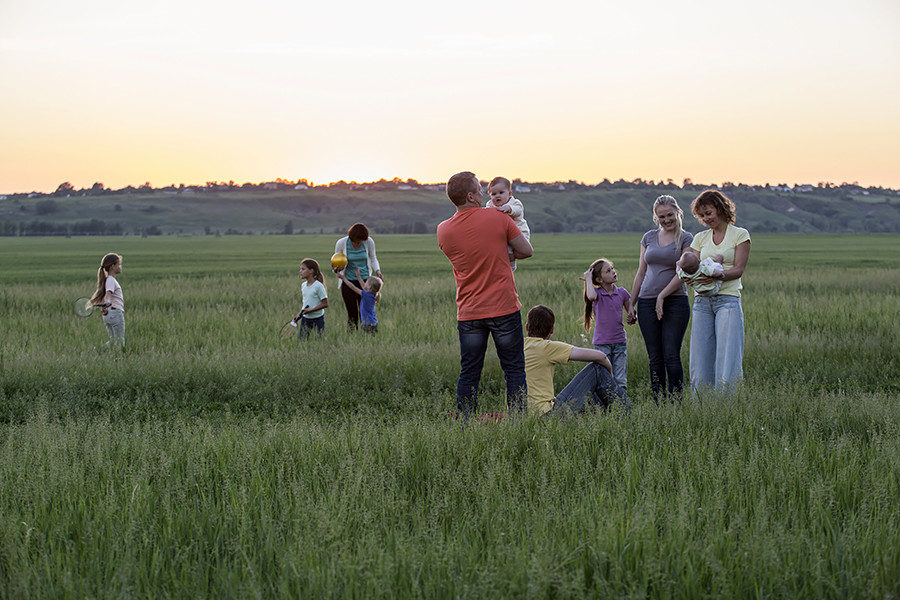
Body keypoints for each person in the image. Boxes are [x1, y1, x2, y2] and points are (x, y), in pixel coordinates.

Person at [436, 171, 533, 418]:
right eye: (480, 189)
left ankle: (466, 424)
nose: (484, 193)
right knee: (514, 369)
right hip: (504, 307)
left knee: (469, 371)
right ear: (470, 195)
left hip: (469, 312)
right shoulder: (497, 217)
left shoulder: (443, 230)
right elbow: (526, 250)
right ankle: (519, 424)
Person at [684, 189, 751, 392]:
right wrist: (690, 276)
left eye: (709, 213)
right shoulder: (700, 238)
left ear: (721, 209)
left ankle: (727, 406)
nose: (706, 218)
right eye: (702, 215)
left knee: (728, 358)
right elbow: (689, 264)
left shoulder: (740, 235)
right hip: (702, 302)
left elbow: (738, 270)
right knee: (700, 358)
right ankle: (701, 406)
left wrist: (717, 275)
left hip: (728, 300)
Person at [629, 195, 694, 402]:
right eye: (661, 216)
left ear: (677, 212)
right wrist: (631, 303)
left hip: (675, 302)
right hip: (647, 302)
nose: (666, 220)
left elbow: (683, 273)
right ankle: (659, 403)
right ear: (656, 218)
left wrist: (663, 295)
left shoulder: (686, 238)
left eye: (670, 215)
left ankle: (676, 403)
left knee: (671, 355)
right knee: (654, 358)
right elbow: (641, 272)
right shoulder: (648, 237)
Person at [524, 305, 630, 416]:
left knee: (590, 392)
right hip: (549, 415)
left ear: (527, 327)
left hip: (527, 417)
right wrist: (610, 377)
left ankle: (608, 420)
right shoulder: (546, 347)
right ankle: (627, 415)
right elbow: (601, 356)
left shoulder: (519, 348)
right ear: (552, 330)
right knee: (597, 369)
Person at [582, 258, 632, 391]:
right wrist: (588, 278)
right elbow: (591, 296)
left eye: (612, 269)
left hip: (619, 342)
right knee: (604, 378)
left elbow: (631, 311)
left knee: (621, 379)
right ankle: (607, 406)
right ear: (599, 279)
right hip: (602, 344)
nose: (613, 272)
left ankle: (622, 407)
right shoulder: (597, 294)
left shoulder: (622, 292)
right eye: (608, 271)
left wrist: (633, 316)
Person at [334, 223, 383, 329]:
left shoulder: (369, 242)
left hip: (365, 282)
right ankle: (352, 336)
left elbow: (373, 258)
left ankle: (366, 334)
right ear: (352, 237)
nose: (359, 242)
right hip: (348, 281)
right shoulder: (342, 243)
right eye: (357, 240)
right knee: (352, 314)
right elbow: (335, 260)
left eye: (361, 240)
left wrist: (378, 271)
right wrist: (337, 270)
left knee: (364, 312)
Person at [486, 176, 530, 271]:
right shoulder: (490, 205)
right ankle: (509, 266)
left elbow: (518, 210)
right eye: (493, 194)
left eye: (501, 193)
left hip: (520, 233)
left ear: (509, 194)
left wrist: (509, 209)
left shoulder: (515, 203)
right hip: (504, 236)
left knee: (517, 250)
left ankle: (512, 266)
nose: (497, 196)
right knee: (506, 251)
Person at [89, 252, 125, 349]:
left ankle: (99, 352)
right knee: (120, 342)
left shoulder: (108, 280)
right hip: (115, 313)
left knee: (113, 340)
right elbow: (108, 294)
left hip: (109, 313)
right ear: (113, 266)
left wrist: (104, 306)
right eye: (119, 264)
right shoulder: (111, 280)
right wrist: (107, 301)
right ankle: (115, 357)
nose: (121, 267)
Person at [335, 267, 382, 334]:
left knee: (367, 341)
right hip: (373, 323)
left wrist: (344, 279)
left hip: (367, 324)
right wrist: (358, 276)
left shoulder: (366, 295)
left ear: (369, 287)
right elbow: (363, 286)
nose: (365, 283)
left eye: (367, 282)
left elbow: (352, 287)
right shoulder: (373, 294)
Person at [295, 258, 328, 339]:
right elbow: (306, 303)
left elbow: (325, 304)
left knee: (320, 341)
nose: (300, 271)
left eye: (303, 269)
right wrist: (299, 314)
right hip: (306, 319)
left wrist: (310, 311)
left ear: (311, 271)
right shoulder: (303, 285)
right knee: (302, 342)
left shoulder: (318, 286)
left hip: (318, 319)